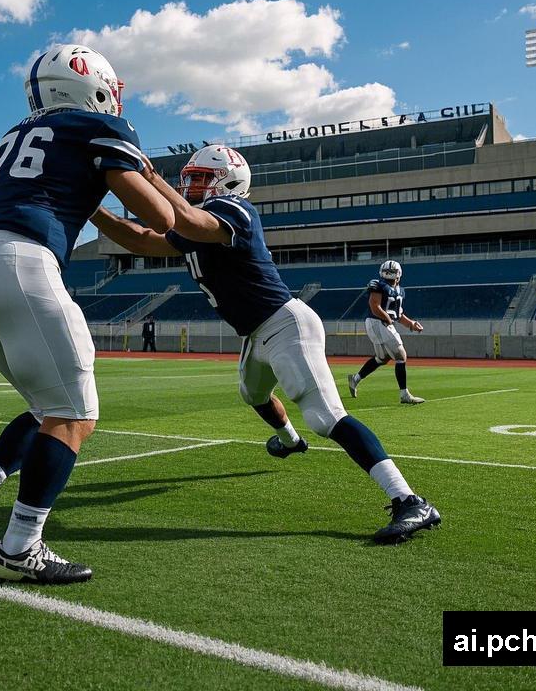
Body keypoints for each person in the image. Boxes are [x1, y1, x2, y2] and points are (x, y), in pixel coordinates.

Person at [91, 145, 440, 545]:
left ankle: (409, 499)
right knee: (253, 393)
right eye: (189, 178)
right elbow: (139, 239)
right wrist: (91, 210)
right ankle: (291, 442)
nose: (191, 186)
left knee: (326, 416)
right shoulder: (196, 226)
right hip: (256, 332)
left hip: (284, 323)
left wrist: (150, 180)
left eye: (202, 178)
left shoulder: (236, 211)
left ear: (231, 181)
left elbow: (182, 218)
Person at [0, 44, 174, 584]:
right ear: (90, 86)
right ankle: (22, 547)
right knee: (75, 415)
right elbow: (156, 216)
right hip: (21, 261)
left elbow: (115, 225)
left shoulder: (19, 138)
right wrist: (165, 195)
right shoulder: (97, 129)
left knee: (48, 408)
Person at [346, 261, 425, 405]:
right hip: (377, 322)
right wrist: (388, 319)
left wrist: (412, 324)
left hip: (381, 323)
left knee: (383, 358)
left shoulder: (399, 290)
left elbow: (399, 315)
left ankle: (355, 379)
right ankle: (404, 394)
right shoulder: (379, 285)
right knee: (401, 355)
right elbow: (374, 305)